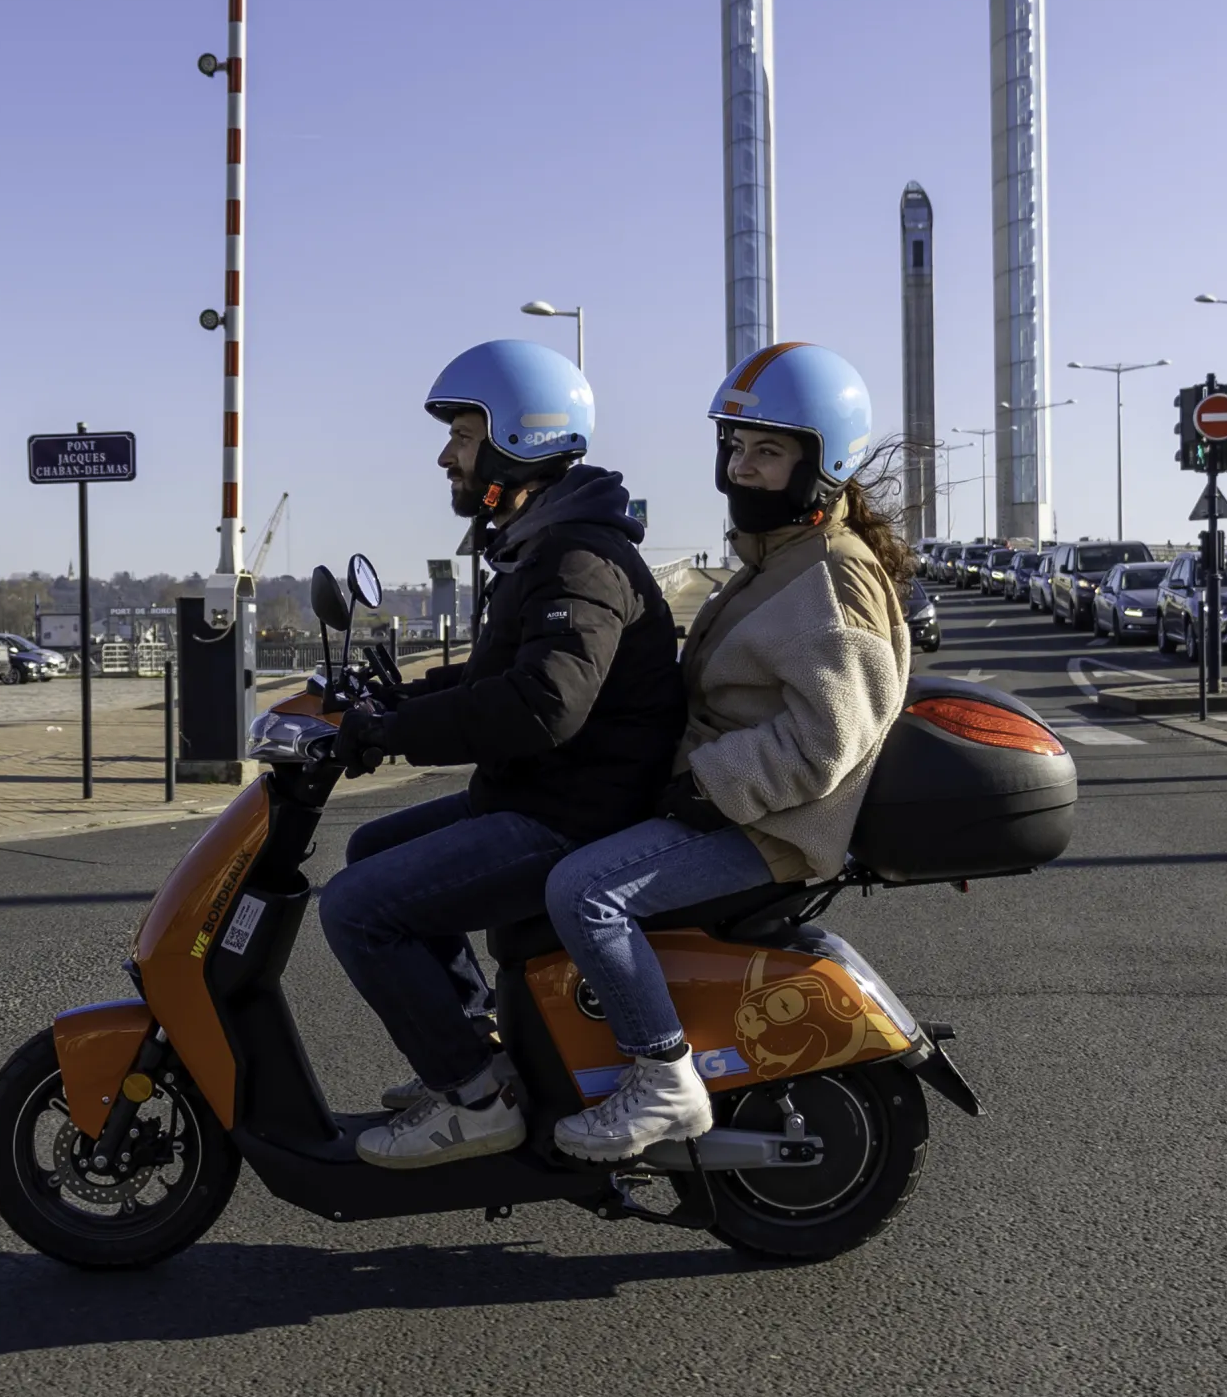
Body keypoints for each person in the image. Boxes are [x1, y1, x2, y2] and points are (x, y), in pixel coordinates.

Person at [318, 339, 684, 1169]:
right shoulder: (540, 544)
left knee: (357, 908)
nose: (446, 453)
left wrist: (397, 734)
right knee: (371, 846)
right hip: (545, 794)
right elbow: (503, 673)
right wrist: (399, 701)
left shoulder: (579, 557)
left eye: (463, 432)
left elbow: (544, 704)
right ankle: (482, 1051)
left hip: (572, 816)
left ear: (520, 436)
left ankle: (477, 1099)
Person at [547, 341, 913, 1162]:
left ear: (825, 463)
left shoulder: (831, 575)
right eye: (735, 447)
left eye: (769, 451)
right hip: (734, 807)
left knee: (585, 895)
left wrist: (709, 786)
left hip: (769, 827)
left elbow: (829, 734)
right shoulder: (780, 559)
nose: (743, 468)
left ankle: (663, 1077)